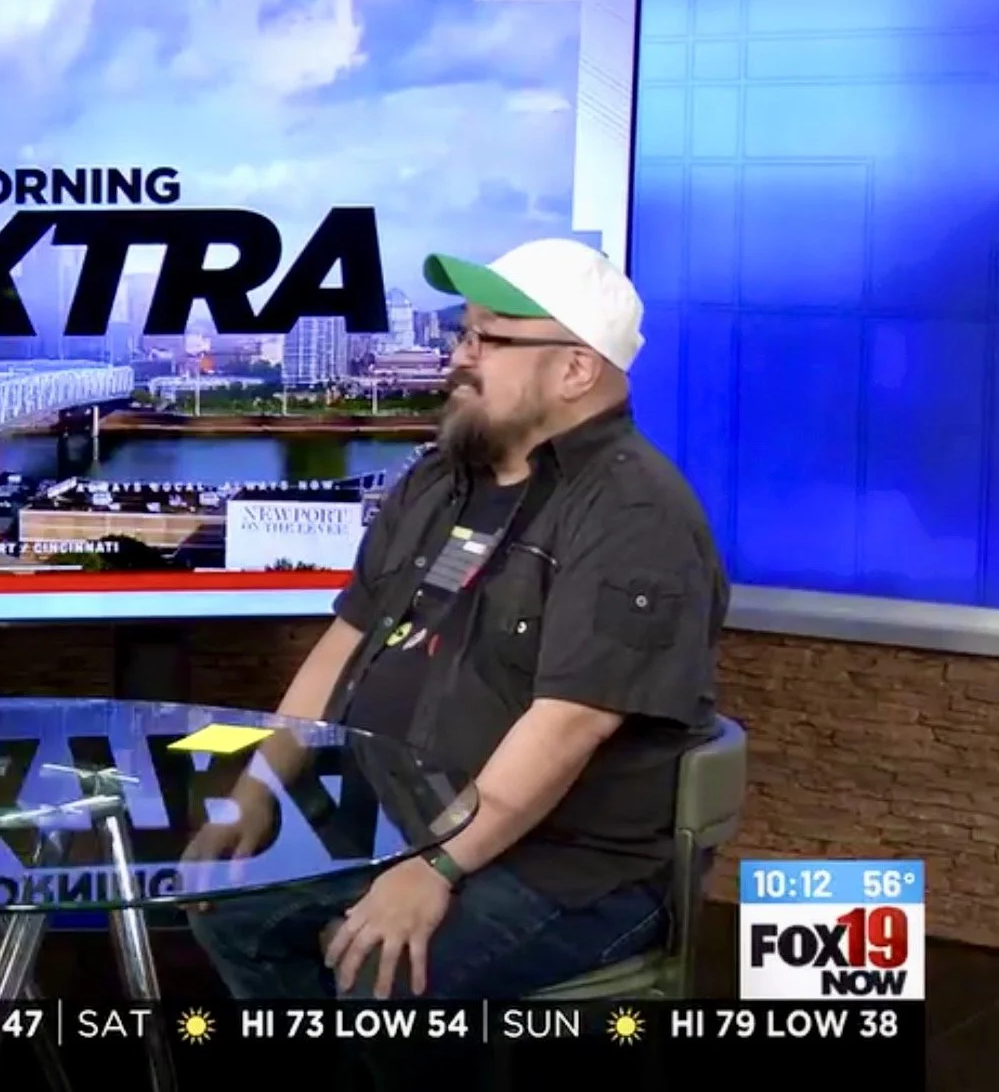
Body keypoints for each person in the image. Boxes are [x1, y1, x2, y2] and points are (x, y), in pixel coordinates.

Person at [189, 238, 729, 1003]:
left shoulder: (633, 516)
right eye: (462, 334)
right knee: (231, 912)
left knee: (377, 972)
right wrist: (257, 788)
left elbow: (569, 725)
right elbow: (347, 643)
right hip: (399, 820)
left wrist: (436, 867)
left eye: (489, 340)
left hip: (567, 867)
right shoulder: (440, 481)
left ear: (576, 370)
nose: (458, 359)